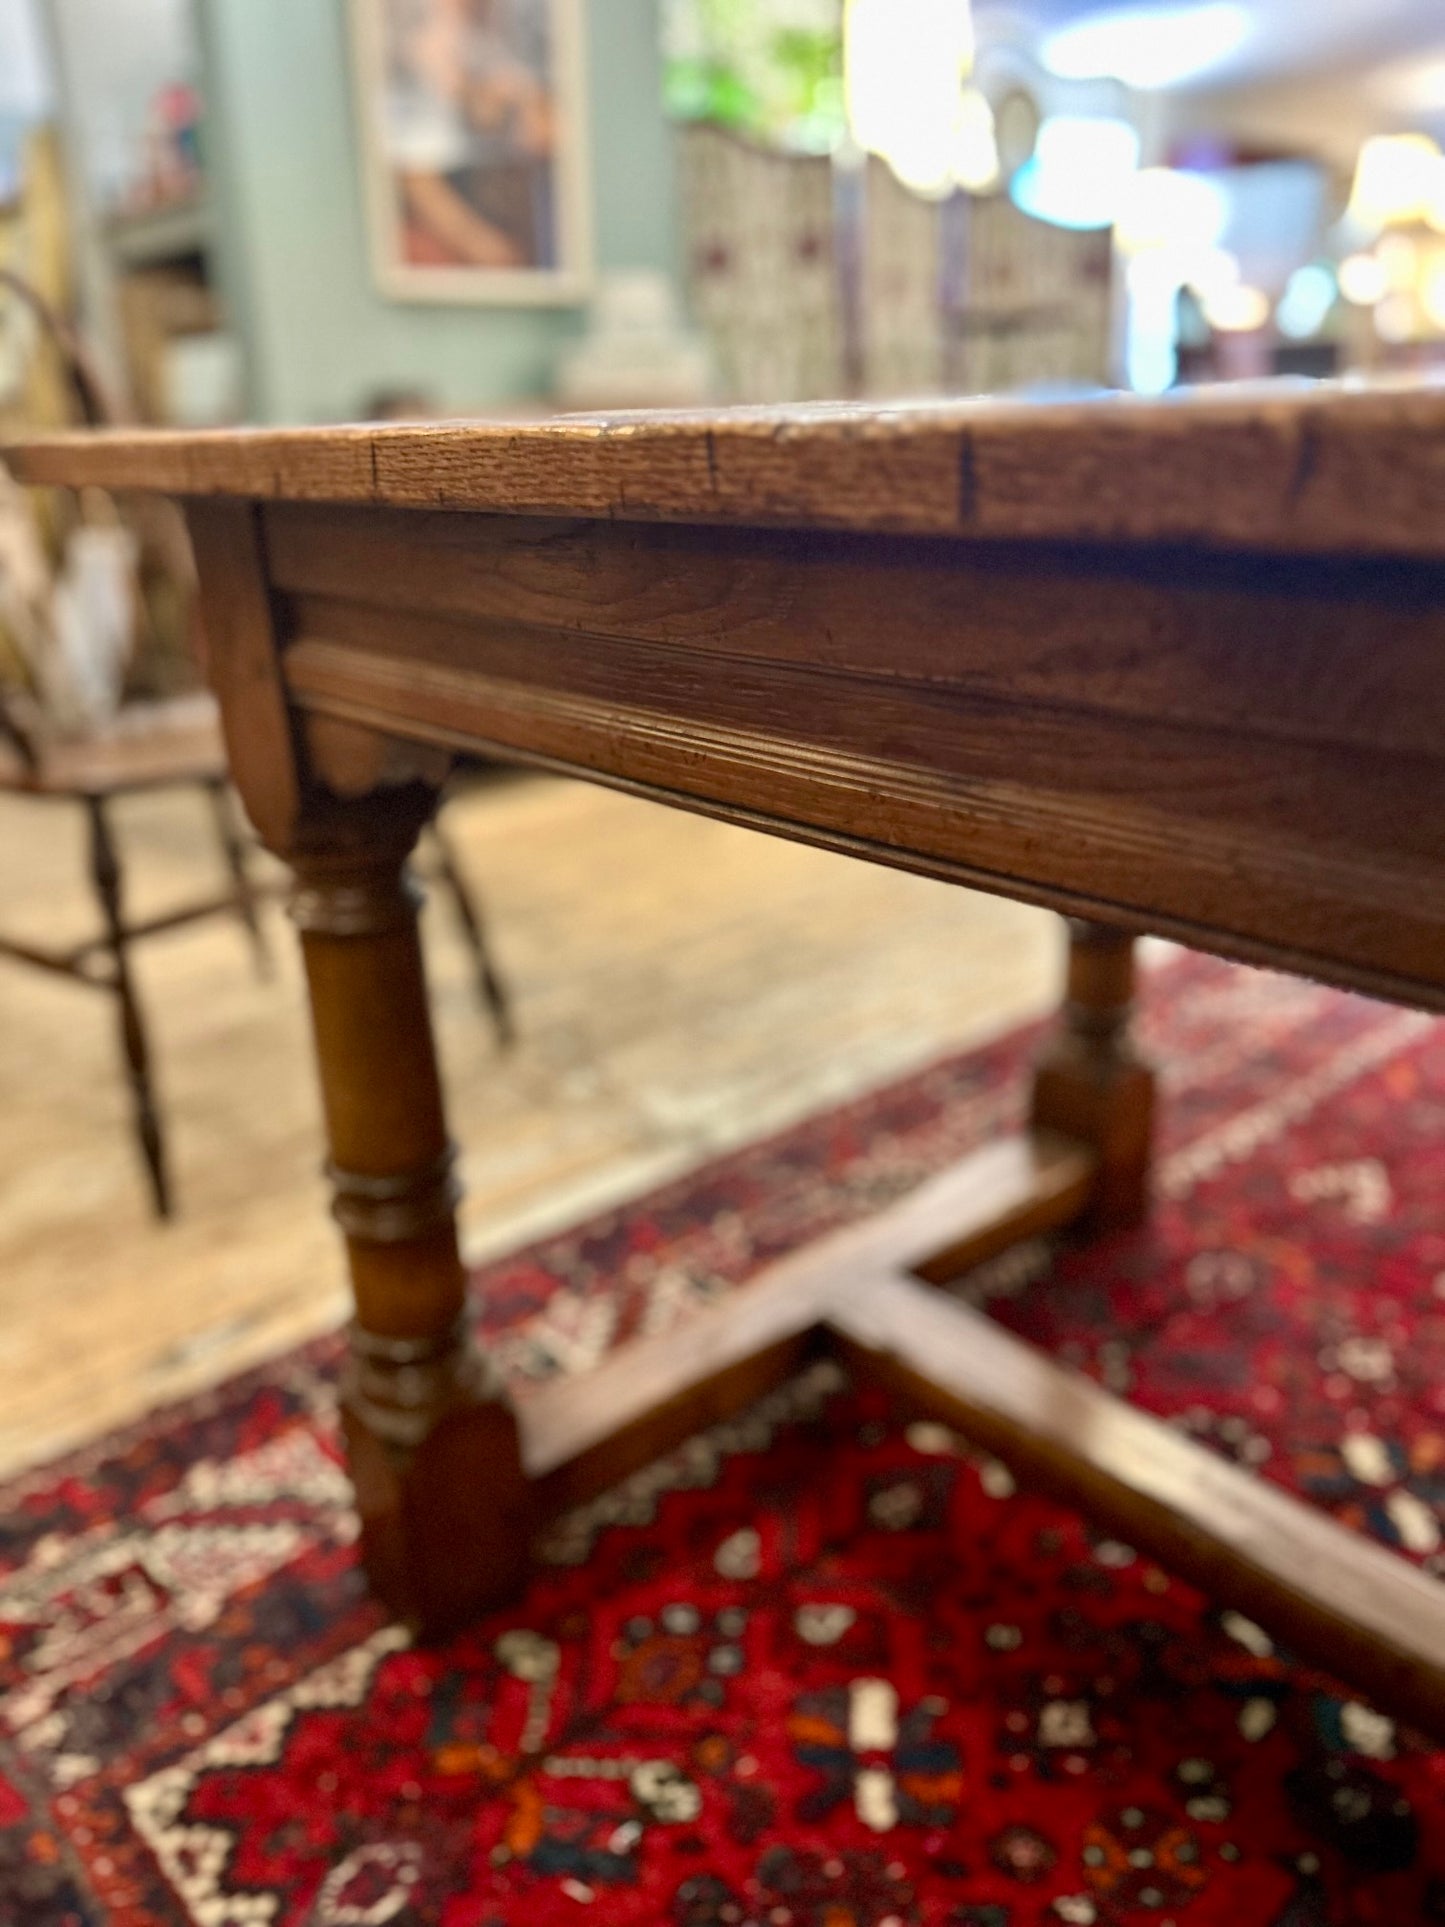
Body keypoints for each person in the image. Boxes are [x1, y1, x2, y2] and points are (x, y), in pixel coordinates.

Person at [385, 0, 558, 270]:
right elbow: (411, 171)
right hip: (450, 213)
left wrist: (522, 103)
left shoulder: (517, 23)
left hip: (516, 195)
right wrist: (477, 243)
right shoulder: (414, 29)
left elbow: (540, 129)